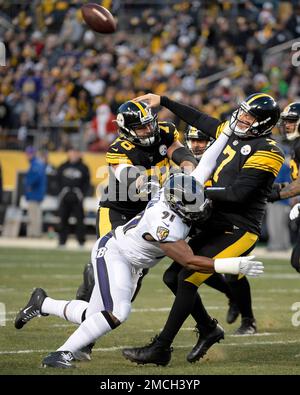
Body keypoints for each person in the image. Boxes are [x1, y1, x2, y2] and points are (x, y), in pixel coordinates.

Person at [14, 174, 264, 368]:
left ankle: (42, 303)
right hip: (115, 253)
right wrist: (230, 264)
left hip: (132, 261)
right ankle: (60, 354)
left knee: (94, 315)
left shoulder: (174, 195)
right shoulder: (164, 222)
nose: (198, 212)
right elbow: (188, 261)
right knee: (118, 312)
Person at [121, 92, 284, 365]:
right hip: (213, 221)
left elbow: (238, 194)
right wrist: (164, 101)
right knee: (172, 278)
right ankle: (208, 329)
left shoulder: (269, 150)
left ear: (263, 122)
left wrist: (195, 189)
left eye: (249, 116)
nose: (241, 118)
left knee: (187, 277)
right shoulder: (232, 132)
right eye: (241, 112)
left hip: (239, 228)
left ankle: (162, 347)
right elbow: (198, 118)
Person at [76, 100, 198, 303]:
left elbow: (182, 154)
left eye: (150, 123)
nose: (149, 129)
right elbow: (131, 177)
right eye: (141, 127)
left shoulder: (164, 131)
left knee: (136, 275)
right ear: (126, 130)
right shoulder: (118, 149)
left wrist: (188, 169)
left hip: (145, 213)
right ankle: (88, 291)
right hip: (117, 209)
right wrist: (150, 183)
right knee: (112, 263)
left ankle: (105, 309)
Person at [181, 126, 240, 324]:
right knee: (194, 264)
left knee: (235, 272)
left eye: (201, 141)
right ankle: (231, 295)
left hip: (226, 221)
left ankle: (247, 317)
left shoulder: (220, 162)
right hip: (200, 223)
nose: (196, 145)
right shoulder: (183, 162)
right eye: (193, 140)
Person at [268, 102, 300, 271]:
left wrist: (277, 194)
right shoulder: (296, 145)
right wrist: (278, 188)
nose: (286, 125)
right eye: (286, 121)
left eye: (291, 121)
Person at [56, 147, 90, 247]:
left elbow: (87, 183)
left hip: (77, 197)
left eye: (75, 153)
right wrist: (60, 191)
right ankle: (62, 242)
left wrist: (82, 193)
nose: (73, 155)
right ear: (68, 154)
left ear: (79, 154)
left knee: (80, 220)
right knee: (63, 219)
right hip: (64, 196)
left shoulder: (83, 167)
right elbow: (57, 180)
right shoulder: (62, 166)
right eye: (72, 153)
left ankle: (81, 242)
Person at [24, 146, 47, 238]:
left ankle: (34, 234)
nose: (27, 155)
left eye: (29, 153)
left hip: (34, 193)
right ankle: (34, 233)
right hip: (35, 193)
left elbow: (34, 178)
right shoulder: (36, 163)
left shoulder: (36, 164)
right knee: (34, 214)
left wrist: (28, 185)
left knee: (34, 215)